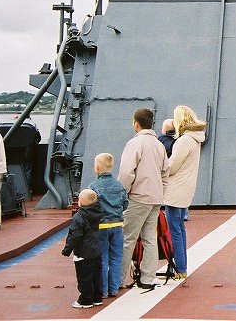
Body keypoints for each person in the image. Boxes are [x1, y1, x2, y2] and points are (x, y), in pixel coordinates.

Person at [118, 108, 169, 291]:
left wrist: (123, 193)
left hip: (138, 197)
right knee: (150, 238)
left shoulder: (134, 143)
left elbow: (126, 172)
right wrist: (160, 191)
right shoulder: (159, 145)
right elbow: (165, 172)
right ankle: (147, 278)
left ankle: (118, 279)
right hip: (155, 198)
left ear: (136, 123)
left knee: (127, 239)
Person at [164, 105, 207, 280]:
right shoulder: (195, 139)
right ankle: (181, 266)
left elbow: (172, 167)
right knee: (180, 228)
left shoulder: (183, 141)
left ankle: (180, 268)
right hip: (185, 188)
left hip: (175, 190)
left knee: (174, 229)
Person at [89, 153, 128, 298]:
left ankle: (103, 291)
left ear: (97, 167)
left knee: (103, 258)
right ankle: (114, 288)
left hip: (101, 226)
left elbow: (91, 206)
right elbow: (125, 204)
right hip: (117, 225)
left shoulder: (93, 186)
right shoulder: (119, 185)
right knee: (117, 257)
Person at [61, 188, 103, 309]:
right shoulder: (98, 212)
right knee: (96, 275)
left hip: (83, 253)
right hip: (96, 250)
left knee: (84, 277)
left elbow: (74, 235)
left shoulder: (79, 217)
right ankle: (97, 297)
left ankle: (85, 300)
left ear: (80, 202)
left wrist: (67, 249)